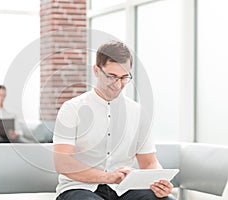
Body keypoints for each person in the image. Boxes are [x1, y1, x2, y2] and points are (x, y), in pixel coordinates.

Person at [53, 41, 176, 200]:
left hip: (124, 189)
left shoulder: (138, 112)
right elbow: (63, 163)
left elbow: (149, 163)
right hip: (79, 188)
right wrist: (108, 177)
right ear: (96, 70)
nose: (118, 84)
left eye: (125, 77)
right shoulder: (72, 108)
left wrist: (159, 182)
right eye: (112, 76)